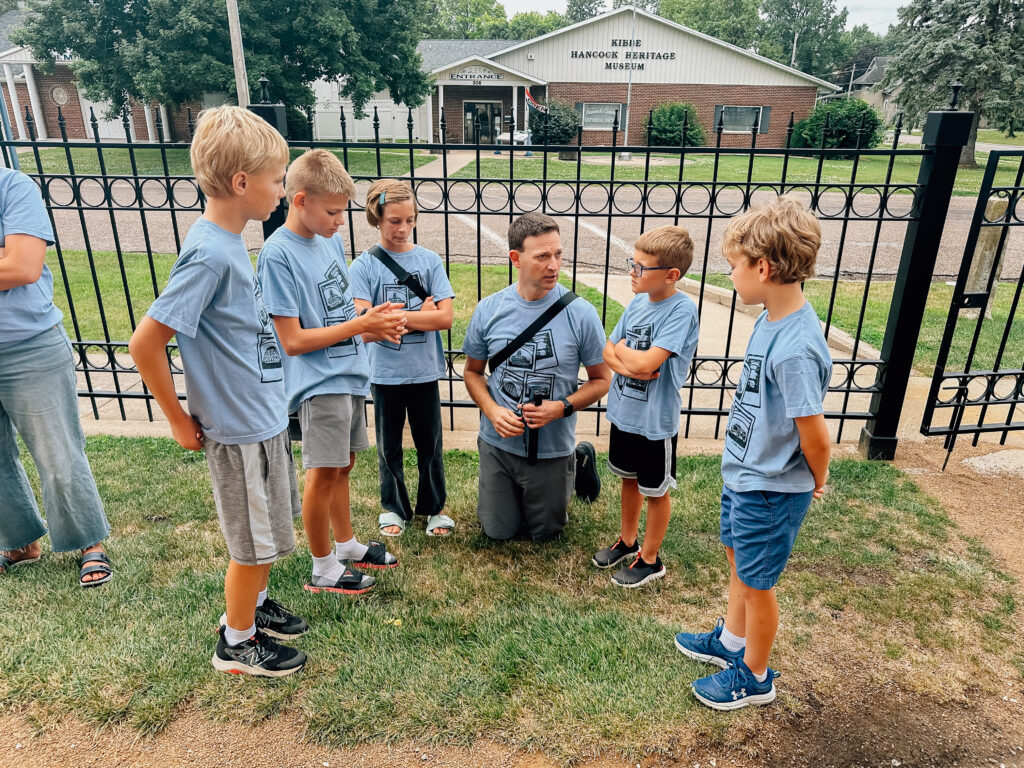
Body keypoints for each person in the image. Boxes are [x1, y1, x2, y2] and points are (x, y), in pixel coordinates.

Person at [129, 106, 307, 678]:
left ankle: (253, 606)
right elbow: (145, 344)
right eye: (277, 179)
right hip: (236, 429)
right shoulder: (208, 253)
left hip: (263, 419)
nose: (282, 190)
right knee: (250, 545)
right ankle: (236, 641)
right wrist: (180, 420)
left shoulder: (230, 243)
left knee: (269, 530)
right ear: (241, 182)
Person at [674, 196, 832, 710]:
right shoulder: (770, 320)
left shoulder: (796, 349)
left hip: (771, 487)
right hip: (745, 474)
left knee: (757, 582)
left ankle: (755, 675)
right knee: (738, 562)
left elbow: (814, 434)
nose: (730, 276)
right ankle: (731, 642)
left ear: (763, 267)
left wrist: (817, 479)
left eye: (733, 266)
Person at [256, 149, 404, 595]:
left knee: (344, 464)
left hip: (349, 375)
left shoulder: (329, 241)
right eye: (333, 211)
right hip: (319, 384)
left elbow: (337, 311)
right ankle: (322, 567)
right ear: (299, 200)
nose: (341, 221)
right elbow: (293, 340)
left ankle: (346, 546)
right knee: (323, 472)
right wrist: (360, 326)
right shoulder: (277, 255)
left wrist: (370, 326)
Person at [462, 212, 611, 541]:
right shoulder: (490, 309)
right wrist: (492, 410)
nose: (554, 265)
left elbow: (602, 380)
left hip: (551, 446)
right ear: (516, 258)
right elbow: (472, 372)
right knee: (498, 531)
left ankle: (577, 458)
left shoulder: (581, 313)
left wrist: (561, 408)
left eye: (558, 254)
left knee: (545, 532)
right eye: (542, 256)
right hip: (498, 443)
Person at [0, 167, 113, 587]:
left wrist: (11, 258)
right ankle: (20, 542)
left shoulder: (12, 186)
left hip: (29, 344)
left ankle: (90, 543)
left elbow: (24, 267)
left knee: (59, 454)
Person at [349, 179, 456, 538]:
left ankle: (435, 508)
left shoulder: (428, 261)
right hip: (384, 373)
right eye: (394, 220)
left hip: (424, 371)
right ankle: (393, 508)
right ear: (376, 218)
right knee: (389, 445)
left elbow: (444, 318)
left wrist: (393, 320)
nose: (403, 228)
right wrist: (418, 315)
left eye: (409, 219)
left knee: (431, 443)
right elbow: (361, 327)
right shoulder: (364, 266)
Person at [594, 225, 699, 588]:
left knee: (655, 490)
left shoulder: (682, 311)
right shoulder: (638, 301)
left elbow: (644, 364)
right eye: (632, 263)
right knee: (628, 478)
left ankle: (650, 559)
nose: (632, 273)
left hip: (655, 421)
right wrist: (628, 358)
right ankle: (627, 541)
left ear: (671, 275)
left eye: (641, 267)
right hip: (625, 412)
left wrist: (626, 357)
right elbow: (609, 352)